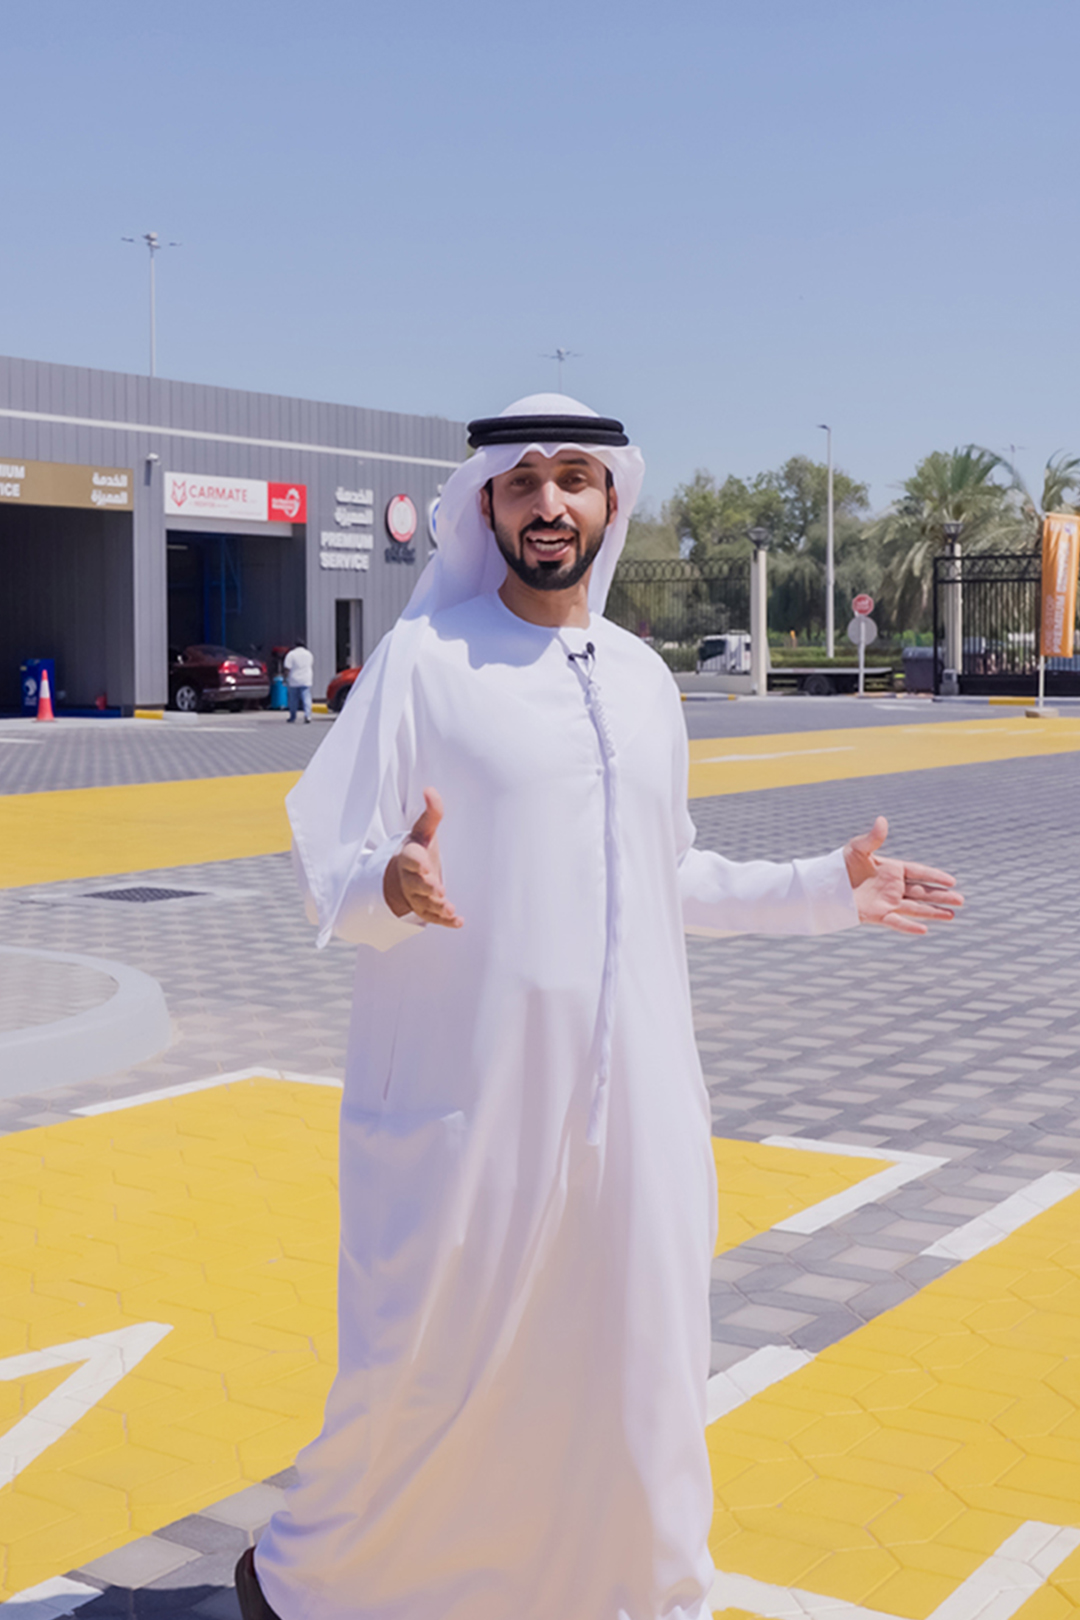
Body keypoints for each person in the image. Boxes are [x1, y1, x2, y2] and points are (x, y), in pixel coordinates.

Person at [237, 395, 961, 1620]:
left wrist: (825, 891)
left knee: (638, 1374)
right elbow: (332, 868)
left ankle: (623, 1592)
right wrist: (391, 885)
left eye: (574, 480)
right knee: (429, 1376)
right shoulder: (428, 660)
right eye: (523, 485)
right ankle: (311, 1581)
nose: (550, 505)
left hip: (638, 1115)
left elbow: (663, 872)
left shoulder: (638, 680)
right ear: (488, 508)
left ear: (610, 501)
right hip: (476, 1109)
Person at [284, 638, 315, 723]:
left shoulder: (291, 654)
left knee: (293, 699)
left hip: (294, 679)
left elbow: (287, 668)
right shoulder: (309, 654)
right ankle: (308, 716)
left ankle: (293, 716)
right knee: (306, 698)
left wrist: (285, 678)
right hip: (306, 679)